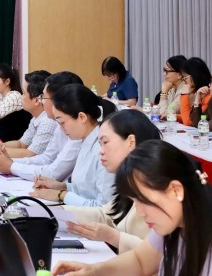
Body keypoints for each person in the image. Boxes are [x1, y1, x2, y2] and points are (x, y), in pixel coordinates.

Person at [52, 141, 212, 276]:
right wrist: (94, 270)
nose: (140, 212)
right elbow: (140, 262)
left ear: (176, 190)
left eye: (143, 200)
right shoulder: (177, 223)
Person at [64, 110, 162, 257]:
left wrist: (114, 237)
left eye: (105, 142)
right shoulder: (130, 180)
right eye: (99, 144)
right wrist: (53, 212)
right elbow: (106, 215)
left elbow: (161, 253)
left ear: (130, 142)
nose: (101, 152)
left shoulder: (157, 187)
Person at [30, 84, 116, 206]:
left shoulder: (103, 148)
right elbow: (86, 190)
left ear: (81, 117)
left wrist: (62, 195)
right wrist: (61, 186)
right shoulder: (85, 140)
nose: (60, 128)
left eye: (62, 122)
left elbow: (103, 208)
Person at [0, 71, 84, 181]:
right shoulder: (60, 124)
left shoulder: (75, 130)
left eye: (43, 97)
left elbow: (54, 173)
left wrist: (11, 166)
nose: (41, 101)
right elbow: (47, 158)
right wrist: (9, 161)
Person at [0, 70, 56, 158]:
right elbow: (21, 144)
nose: (21, 97)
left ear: (36, 100)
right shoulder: (36, 118)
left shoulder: (47, 121)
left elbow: (31, 154)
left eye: (23, 93)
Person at [177, 57, 212, 125]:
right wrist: (175, 116)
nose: (184, 82)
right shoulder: (202, 92)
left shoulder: (209, 95)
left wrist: (184, 95)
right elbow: (191, 116)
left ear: (194, 76)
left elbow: (189, 121)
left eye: (185, 78)